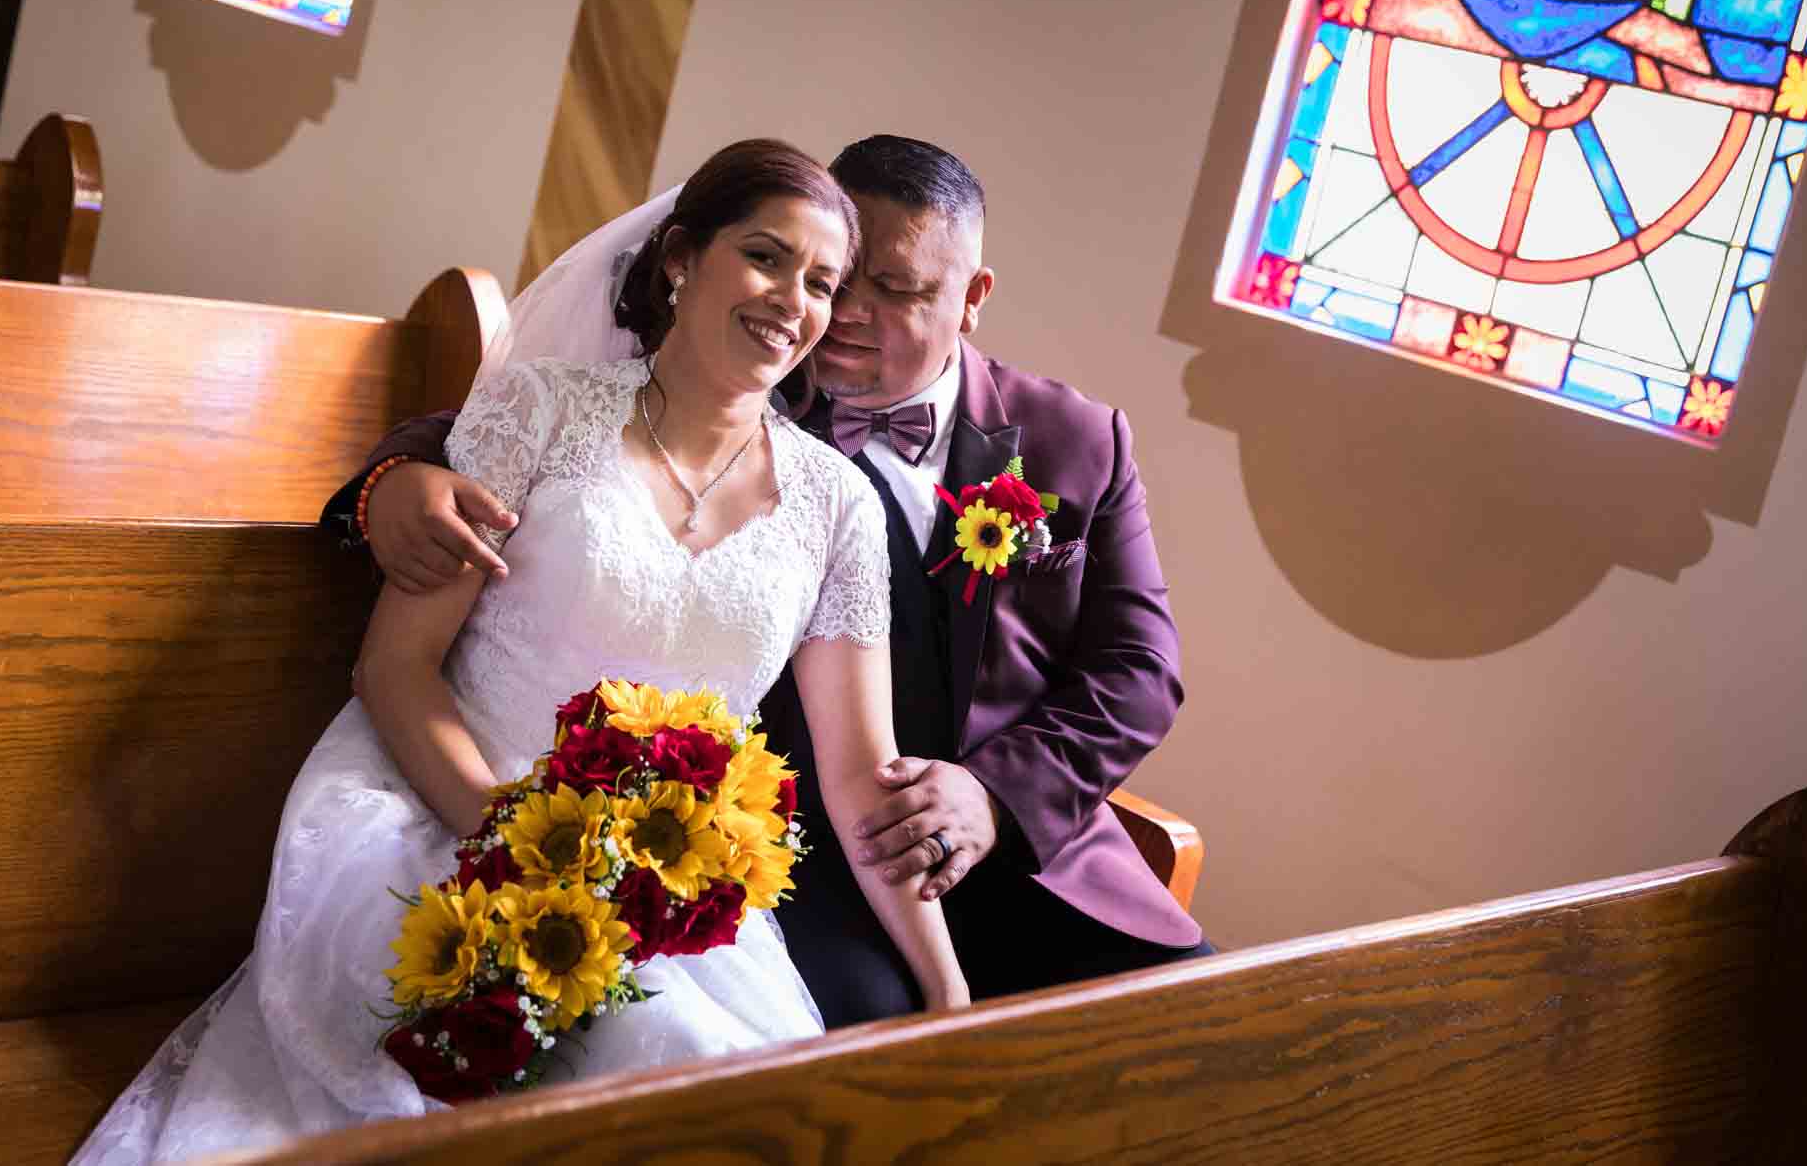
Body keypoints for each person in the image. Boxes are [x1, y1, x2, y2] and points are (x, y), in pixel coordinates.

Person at [73, 140, 967, 1164]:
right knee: (651, 1054)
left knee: (714, 1074)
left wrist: (947, 991)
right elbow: (394, 668)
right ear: (681, 258)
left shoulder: (836, 505)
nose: (792, 301)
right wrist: (504, 843)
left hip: (664, 892)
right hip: (441, 820)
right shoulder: (537, 411)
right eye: (764, 257)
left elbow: (861, 781)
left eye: (820, 281)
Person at [334, 135, 1209, 1028]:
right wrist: (390, 481)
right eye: (846, 279)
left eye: (892, 288)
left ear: (973, 298)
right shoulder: (746, 359)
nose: (847, 313)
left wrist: (993, 795)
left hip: (1030, 853)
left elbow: (1139, 675)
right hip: (808, 852)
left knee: (1206, 1026)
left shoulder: (1077, 437)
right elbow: (508, 425)